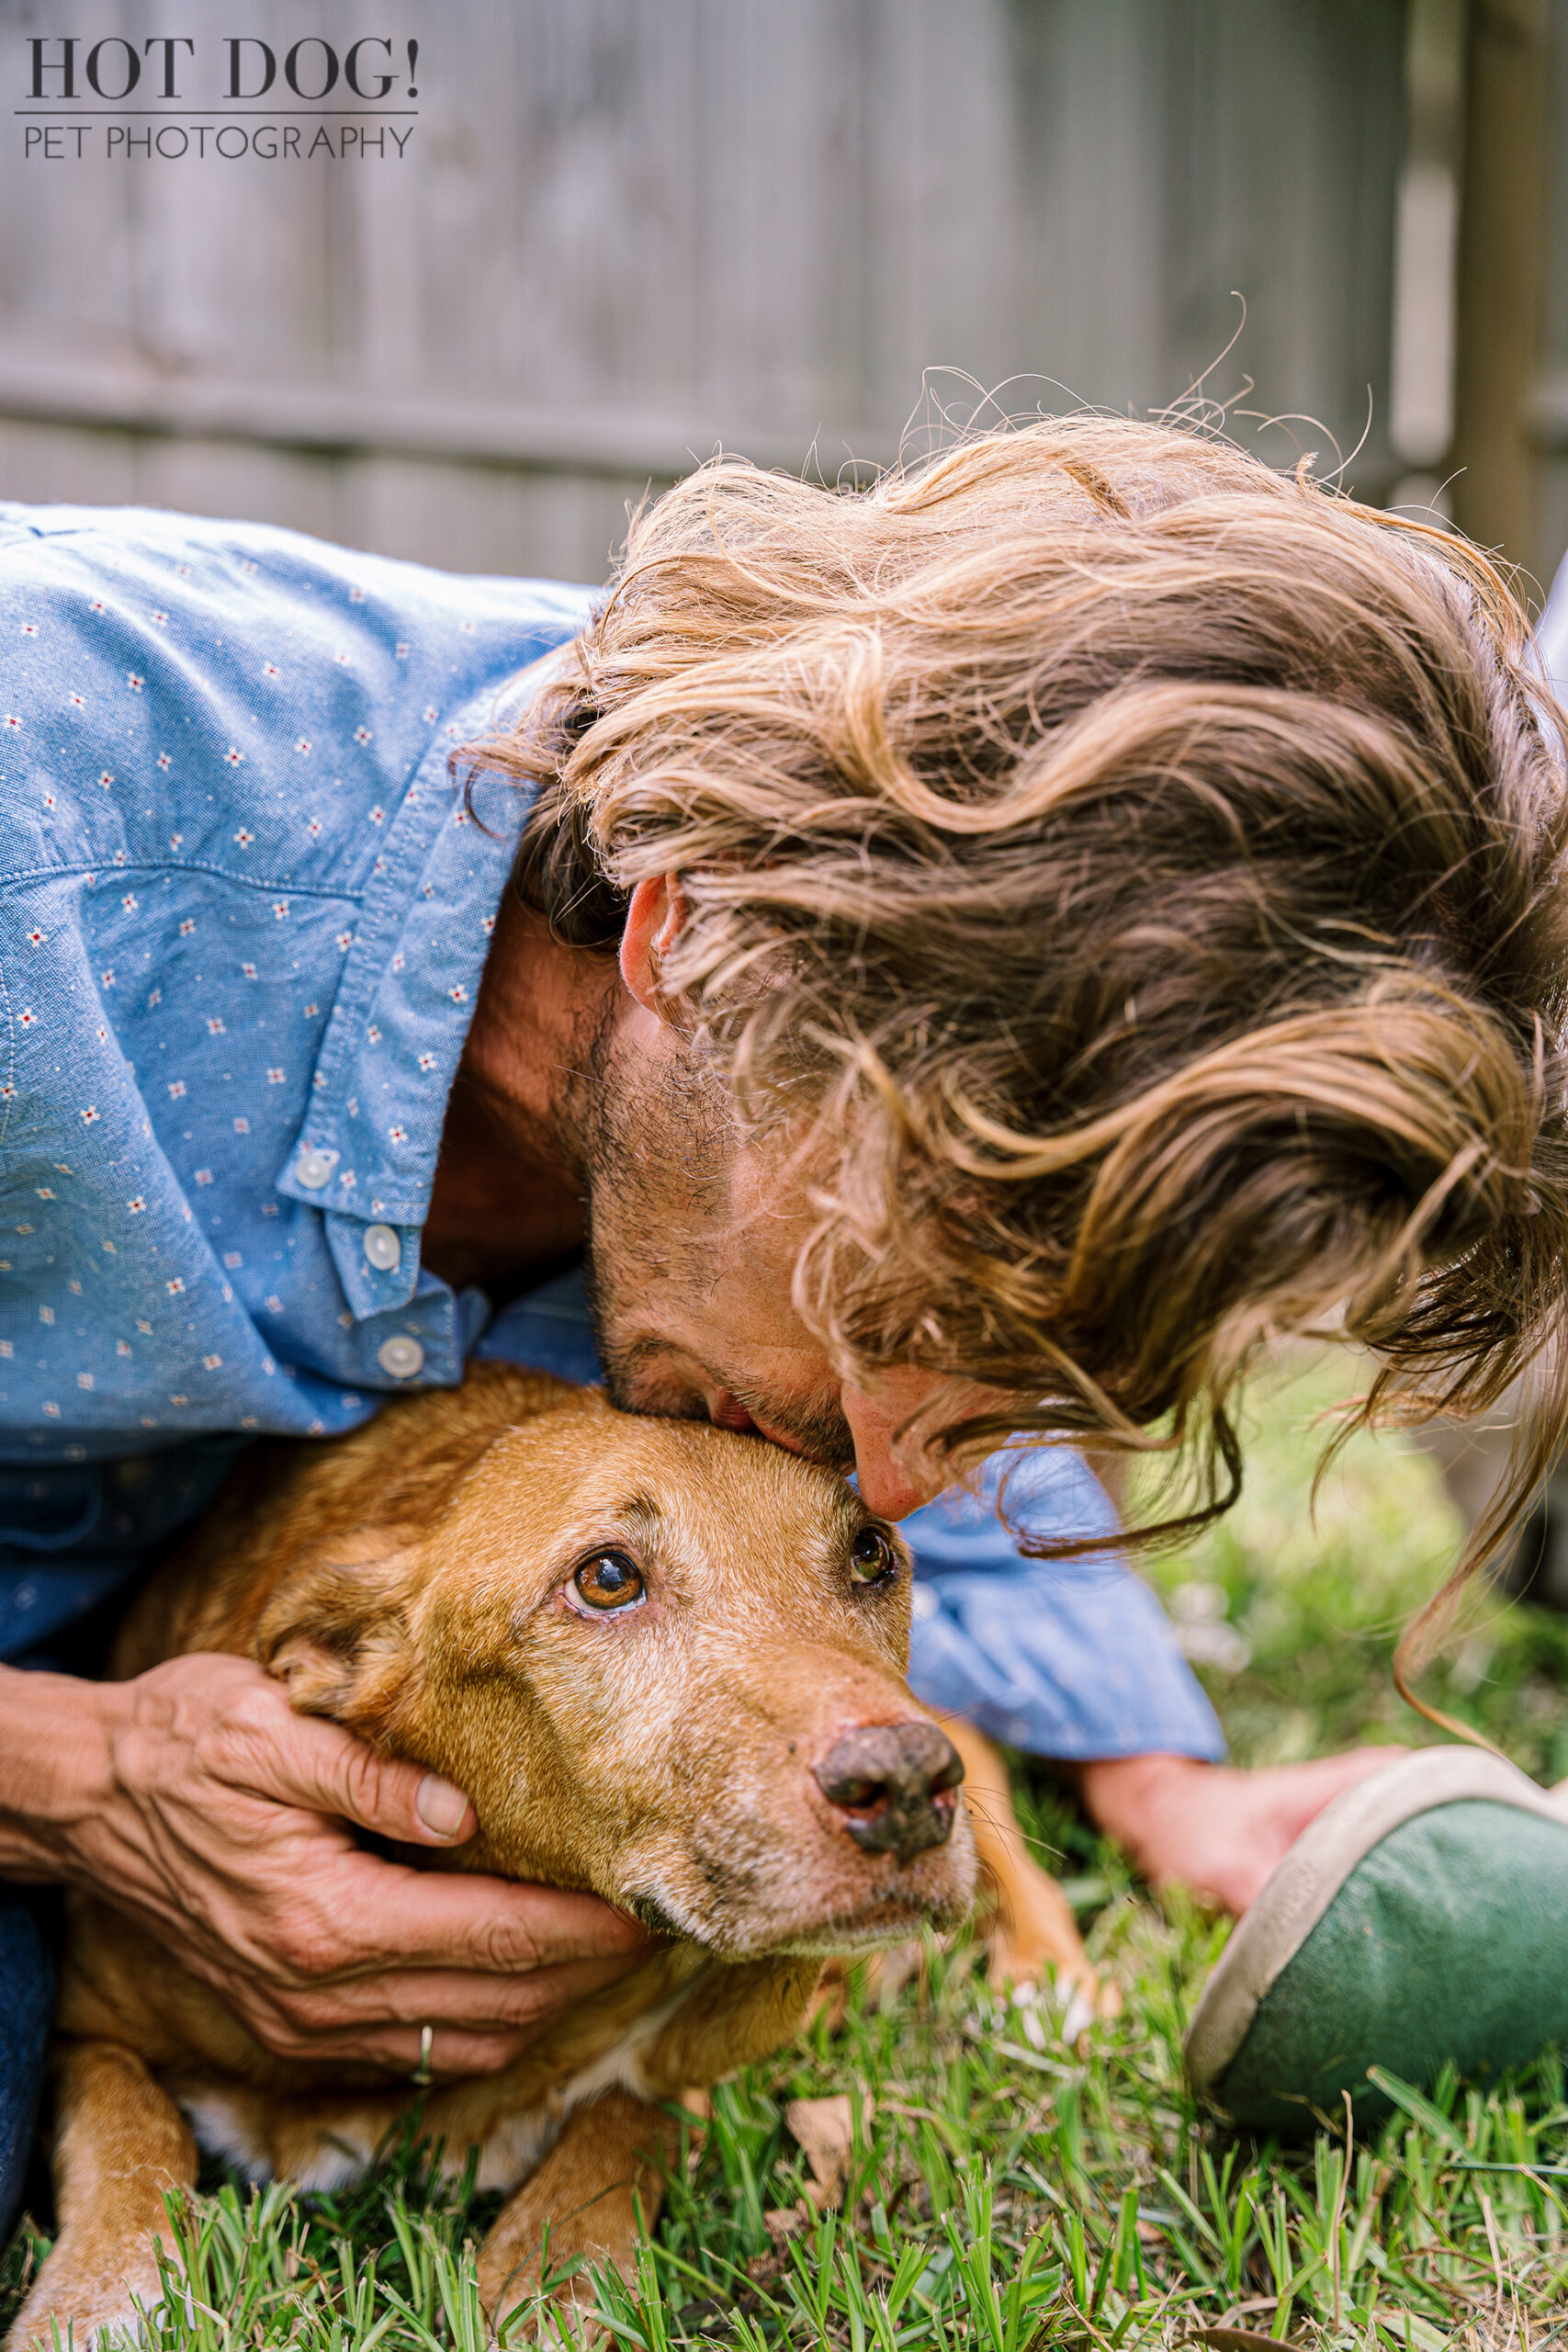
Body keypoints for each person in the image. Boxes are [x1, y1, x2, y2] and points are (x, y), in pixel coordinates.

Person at [2, 418, 1564, 2229]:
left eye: (1014, 1391)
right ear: (693, 934)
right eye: (897, 1310)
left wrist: (1154, 1780)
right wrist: (83, 1778)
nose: (899, 1471)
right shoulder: (45, 839)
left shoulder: (801, 1097)